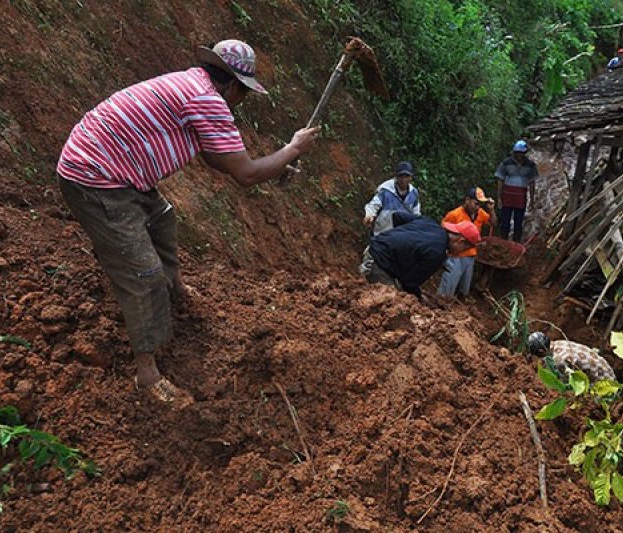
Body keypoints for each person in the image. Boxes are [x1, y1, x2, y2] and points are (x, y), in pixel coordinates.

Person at [57, 39, 320, 406]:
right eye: (243, 93)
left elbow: (218, 159)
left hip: (119, 170)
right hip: (97, 178)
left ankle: (176, 288)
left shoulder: (193, 83)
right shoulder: (208, 100)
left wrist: (279, 162)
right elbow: (244, 174)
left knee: (162, 218)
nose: (240, 101)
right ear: (232, 85)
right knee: (144, 274)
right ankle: (147, 374)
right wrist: (293, 148)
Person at [359, 212, 479, 299]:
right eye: (465, 249)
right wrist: (419, 298)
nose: (461, 253)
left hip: (373, 249)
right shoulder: (437, 253)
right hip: (377, 264)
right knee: (391, 304)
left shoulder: (429, 223)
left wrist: (398, 240)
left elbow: (397, 216)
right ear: (460, 242)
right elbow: (408, 283)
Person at [438, 187, 496, 298]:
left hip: (470, 256)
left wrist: (491, 210)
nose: (477, 207)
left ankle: (459, 309)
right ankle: (441, 307)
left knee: (464, 290)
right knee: (447, 288)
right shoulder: (454, 215)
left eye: (479, 204)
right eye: (475, 204)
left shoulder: (480, 213)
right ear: (467, 200)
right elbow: (443, 231)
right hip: (456, 256)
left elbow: (493, 223)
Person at [528, 332, 617, 383]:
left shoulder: (559, 360)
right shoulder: (559, 343)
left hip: (604, 383)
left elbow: (568, 384)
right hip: (607, 370)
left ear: (541, 351)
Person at [495, 139, 538, 242]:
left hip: (521, 198)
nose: (519, 155)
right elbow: (500, 180)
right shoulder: (506, 163)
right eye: (517, 153)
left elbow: (532, 183)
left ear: (524, 153)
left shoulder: (530, 165)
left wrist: (532, 200)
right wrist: (499, 198)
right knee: (505, 222)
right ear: (514, 152)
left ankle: (516, 243)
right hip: (507, 198)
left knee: (518, 224)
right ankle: (503, 243)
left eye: (521, 153)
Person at [363, 161, 421, 235]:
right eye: (401, 176)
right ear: (396, 177)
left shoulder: (413, 193)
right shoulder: (386, 190)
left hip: (403, 234)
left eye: (406, 176)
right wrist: (369, 215)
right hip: (383, 232)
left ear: (411, 177)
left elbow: (416, 214)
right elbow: (373, 205)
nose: (403, 180)